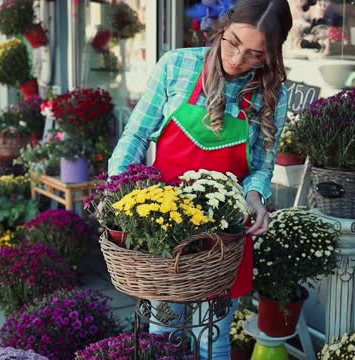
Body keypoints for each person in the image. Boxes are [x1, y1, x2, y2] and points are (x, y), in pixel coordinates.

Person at [107, 0, 292, 358]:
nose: (238, 60)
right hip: (165, 228)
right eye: (234, 42)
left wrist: (255, 197)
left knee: (214, 338)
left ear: (271, 55)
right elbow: (136, 136)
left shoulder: (272, 94)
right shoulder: (177, 65)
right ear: (223, 28)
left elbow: (262, 168)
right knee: (165, 331)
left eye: (255, 55)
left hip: (224, 234)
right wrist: (117, 190)